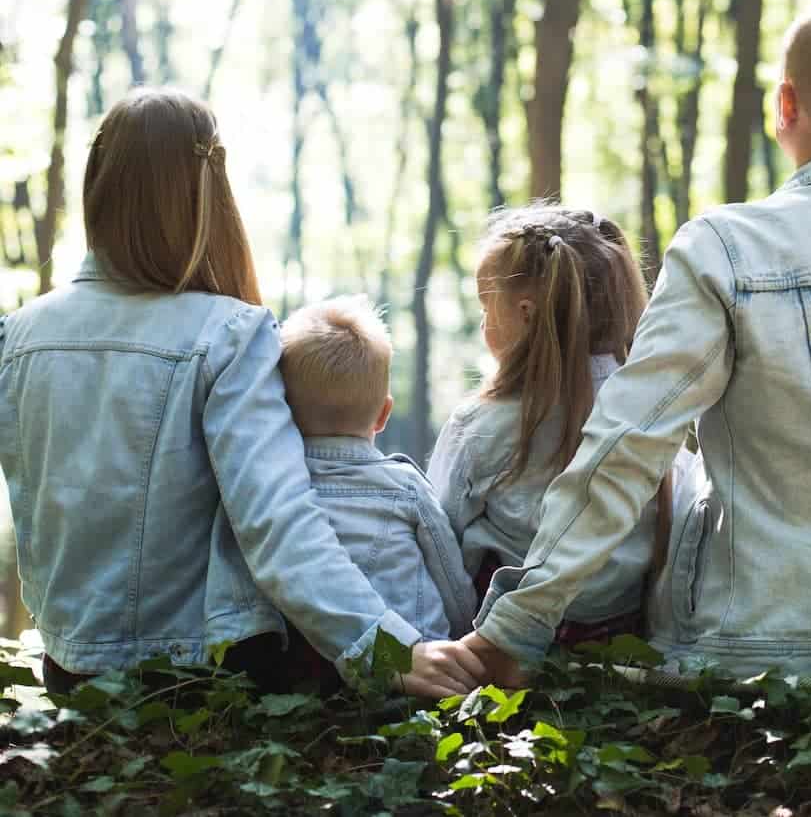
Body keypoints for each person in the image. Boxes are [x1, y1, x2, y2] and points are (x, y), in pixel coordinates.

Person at [463, 1, 811, 683]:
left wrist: (517, 625)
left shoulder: (726, 248)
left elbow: (626, 445)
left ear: (784, 104)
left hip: (754, 654)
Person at [0, 88, 486, 698]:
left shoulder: (16, 334)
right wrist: (387, 650)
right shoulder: (229, 334)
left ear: (97, 182)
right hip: (195, 678)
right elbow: (277, 522)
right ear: (207, 194)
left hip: (69, 672)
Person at [428, 205, 696, 646]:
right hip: (622, 642)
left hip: (501, 646)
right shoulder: (653, 418)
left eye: (486, 306)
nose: (482, 323)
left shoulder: (480, 425)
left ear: (527, 314)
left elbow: (441, 543)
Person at [278, 295, 477, 647]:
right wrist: (463, 636)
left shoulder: (273, 490)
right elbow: (452, 582)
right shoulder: (405, 487)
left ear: (282, 410)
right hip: (418, 658)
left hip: (314, 669)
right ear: (384, 415)